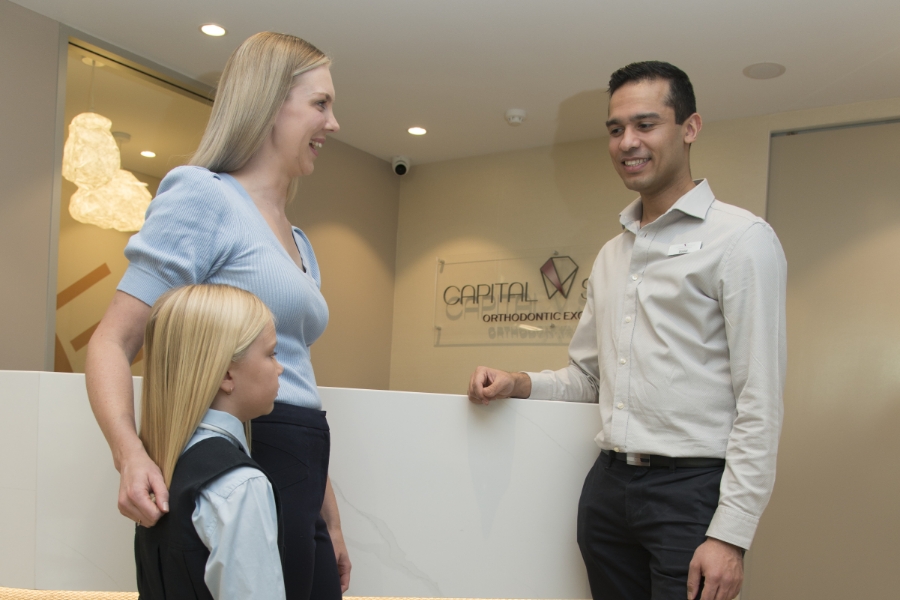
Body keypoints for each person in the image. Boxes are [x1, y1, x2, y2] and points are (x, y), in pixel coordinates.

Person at [468, 61, 786, 600]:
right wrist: (520, 383)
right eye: (616, 129)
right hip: (608, 490)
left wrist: (731, 535)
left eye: (645, 124)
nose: (627, 142)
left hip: (691, 494)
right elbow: (590, 378)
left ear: (689, 127)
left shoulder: (743, 240)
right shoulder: (613, 255)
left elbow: (760, 402)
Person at [86, 32, 350, 599]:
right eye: (320, 104)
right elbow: (112, 341)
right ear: (268, 103)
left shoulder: (299, 239)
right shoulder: (204, 198)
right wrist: (130, 455)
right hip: (251, 454)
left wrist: (328, 514)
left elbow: (297, 374)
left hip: (305, 463)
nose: (334, 124)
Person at [134, 284, 285, 599]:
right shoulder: (240, 486)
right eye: (271, 354)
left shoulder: (162, 467)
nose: (280, 368)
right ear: (227, 375)